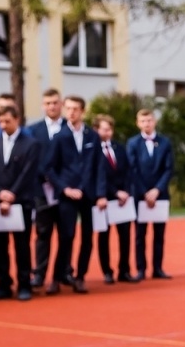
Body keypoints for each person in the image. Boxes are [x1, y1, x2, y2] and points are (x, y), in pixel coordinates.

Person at [0, 102, 41, 301]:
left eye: (7, 120)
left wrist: (12, 195)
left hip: (21, 201)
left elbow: (27, 173)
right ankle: (3, 284)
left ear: (17, 120)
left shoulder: (30, 144)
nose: (3, 124)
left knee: (21, 245)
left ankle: (24, 284)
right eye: (0, 121)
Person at [47, 95, 102, 294]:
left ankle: (80, 277)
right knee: (66, 236)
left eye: (75, 109)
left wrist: (100, 194)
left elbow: (99, 167)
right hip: (67, 196)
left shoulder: (93, 136)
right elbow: (50, 168)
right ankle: (56, 278)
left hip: (88, 195)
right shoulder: (59, 136)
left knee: (87, 238)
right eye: (68, 108)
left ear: (82, 111)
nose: (71, 112)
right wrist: (65, 188)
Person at [125, 108, 173, 281]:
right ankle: (140, 269)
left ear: (155, 122)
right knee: (139, 235)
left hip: (160, 195)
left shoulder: (165, 142)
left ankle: (158, 268)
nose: (147, 124)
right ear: (138, 123)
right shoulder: (132, 143)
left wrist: (157, 190)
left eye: (150, 120)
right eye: (143, 121)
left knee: (159, 235)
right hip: (140, 195)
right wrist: (145, 192)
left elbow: (168, 169)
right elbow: (132, 169)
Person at [26, 88, 65, 288]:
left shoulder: (70, 128)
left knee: (66, 234)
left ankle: (62, 274)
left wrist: (61, 181)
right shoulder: (33, 130)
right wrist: (47, 177)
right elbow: (32, 159)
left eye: (55, 102)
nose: (51, 106)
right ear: (43, 106)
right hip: (41, 190)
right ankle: (39, 273)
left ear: (61, 104)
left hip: (65, 191)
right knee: (43, 234)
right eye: (48, 103)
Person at [93, 115, 132, 284]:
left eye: (110, 129)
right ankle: (107, 271)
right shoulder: (92, 150)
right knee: (104, 237)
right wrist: (115, 192)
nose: (107, 132)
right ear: (96, 130)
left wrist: (126, 192)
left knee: (125, 236)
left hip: (122, 201)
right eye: (104, 129)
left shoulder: (119, 148)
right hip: (104, 199)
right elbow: (97, 176)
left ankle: (124, 270)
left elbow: (128, 171)